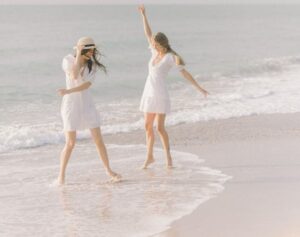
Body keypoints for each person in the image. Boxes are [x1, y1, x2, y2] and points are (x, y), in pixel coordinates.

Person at [138, 5, 209, 169]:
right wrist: (144, 15)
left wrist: (199, 88)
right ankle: (149, 157)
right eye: (153, 44)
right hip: (148, 93)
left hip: (160, 94)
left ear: (161, 44)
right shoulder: (155, 53)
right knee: (147, 126)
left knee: (160, 128)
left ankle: (168, 158)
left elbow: (184, 73)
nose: (152, 45)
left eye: (155, 44)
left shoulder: (170, 57)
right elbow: (148, 34)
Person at [57, 37, 121, 184]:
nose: (92, 52)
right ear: (82, 49)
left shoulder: (92, 66)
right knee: (70, 143)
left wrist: (68, 91)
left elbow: (86, 85)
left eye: (93, 49)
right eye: (89, 49)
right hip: (71, 105)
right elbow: (73, 75)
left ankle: (108, 170)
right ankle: (61, 176)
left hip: (86, 103)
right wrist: (78, 56)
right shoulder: (68, 60)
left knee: (98, 140)